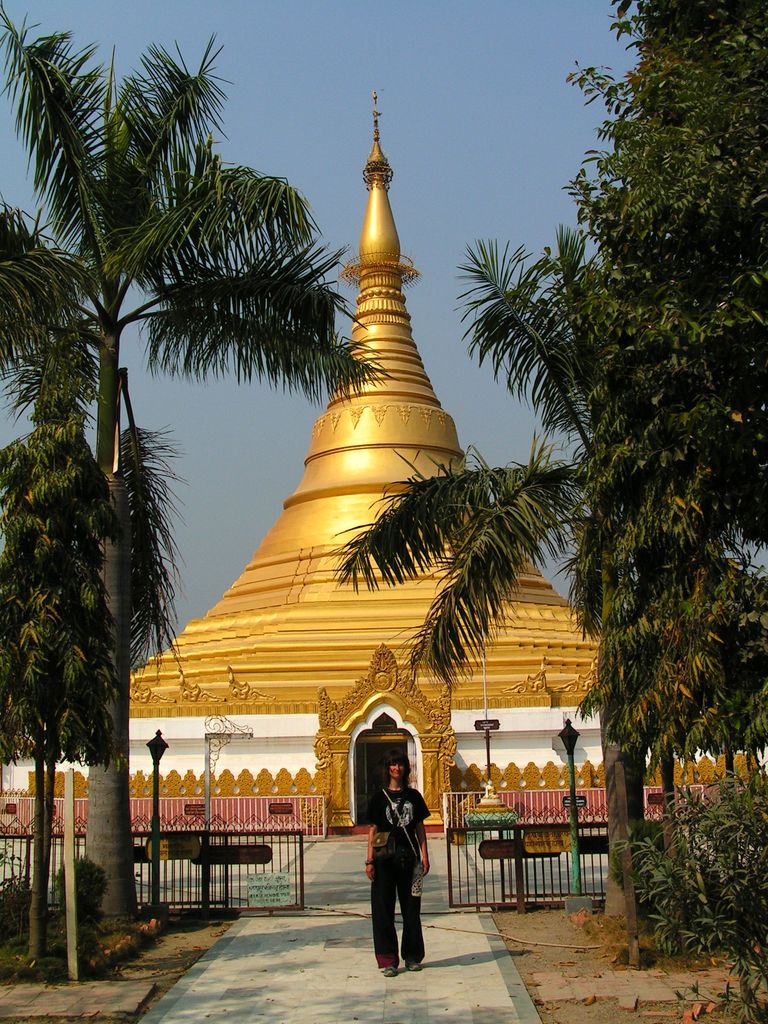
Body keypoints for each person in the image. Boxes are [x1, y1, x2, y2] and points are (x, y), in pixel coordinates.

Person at [365, 750, 430, 977]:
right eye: (392, 764)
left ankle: (412, 956)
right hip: (384, 860)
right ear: (388, 768)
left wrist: (425, 855)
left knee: (411, 909)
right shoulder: (378, 798)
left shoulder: (414, 797)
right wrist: (369, 860)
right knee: (383, 910)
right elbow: (373, 830)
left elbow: (420, 828)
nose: (396, 768)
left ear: (405, 768)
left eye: (400, 764)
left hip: (409, 857)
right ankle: (387, 959)